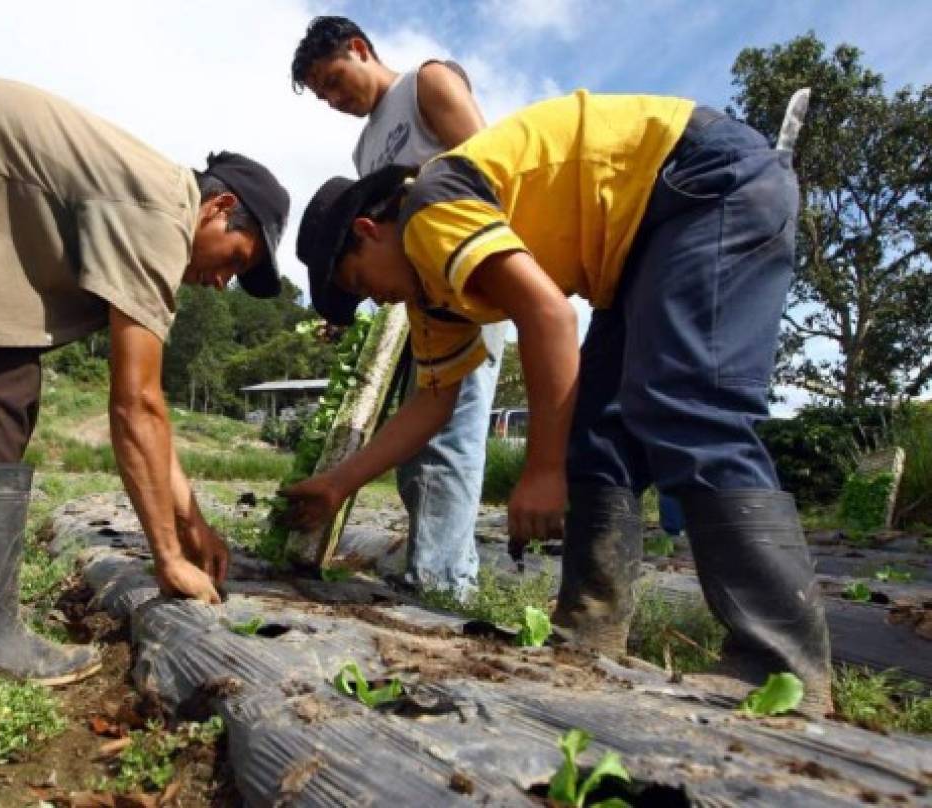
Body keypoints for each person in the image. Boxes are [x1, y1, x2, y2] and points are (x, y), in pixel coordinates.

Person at [286, 90, 833, 712]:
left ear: (367, 230)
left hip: (701, 178)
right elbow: (432, 405)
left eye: (361, 283)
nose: (377, 300)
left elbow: (547, 314)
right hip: (637, 244)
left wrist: (542, 472)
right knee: (597, 433)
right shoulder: (430, 294)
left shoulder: (428, 210)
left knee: (684, 402)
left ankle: (781, 664)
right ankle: (588, 631)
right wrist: (335, 485)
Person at [0, 74, 289, 685]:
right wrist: (168, 557)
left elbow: (152, 408)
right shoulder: (157, 214)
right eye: (237, 259)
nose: (224, 281)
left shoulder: (150, 196)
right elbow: (134, 406)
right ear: (219, 208)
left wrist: (196, 525)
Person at [291, 16, 504, 599]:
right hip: (419, 301)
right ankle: (431, 571)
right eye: (322, 95)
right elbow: (372, 242)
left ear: (360, 48)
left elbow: (489, 174)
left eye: (333, 80)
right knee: (418, 440)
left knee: (451, 436)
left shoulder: (425, 85)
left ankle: (440, 585)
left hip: (469, 282)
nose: (333, 99)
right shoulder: (364, 147)